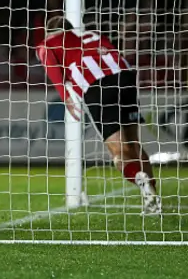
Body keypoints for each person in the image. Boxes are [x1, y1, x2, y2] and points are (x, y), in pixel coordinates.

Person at [36, 15, 161, 214]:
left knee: (118, 151)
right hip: (126, 79)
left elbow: (49, 62)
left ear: (50, 33)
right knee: (133, 144)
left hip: (98, 87)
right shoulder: (92, 34)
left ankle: (139, 179)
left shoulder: (48, 43)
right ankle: (152, 194)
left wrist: (65, 96)